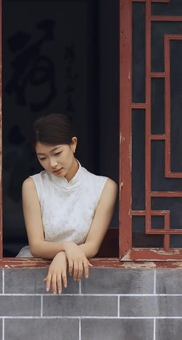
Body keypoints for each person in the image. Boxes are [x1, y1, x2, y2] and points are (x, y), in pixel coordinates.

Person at [17, 113, 118, 295]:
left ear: (73, 144)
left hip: (78, 270)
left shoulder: (104, 187)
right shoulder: (32, 185)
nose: (52, 164)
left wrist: (63, 255)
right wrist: (67, 246)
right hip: (33, 271)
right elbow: (36, 245)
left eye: (57, 153)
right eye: (43, 158)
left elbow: (92, 246)